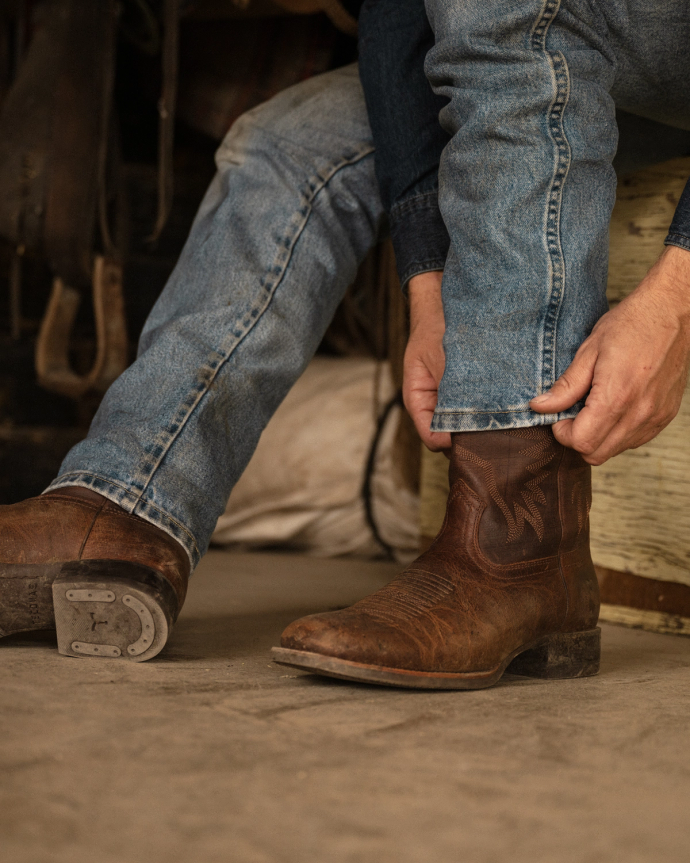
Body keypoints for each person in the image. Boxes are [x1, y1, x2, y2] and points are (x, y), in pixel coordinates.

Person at [1, 1, 689, 684]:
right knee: (289, 140)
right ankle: (125, 502)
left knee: (503, 20)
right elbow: (397, 16)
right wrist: (427, 274)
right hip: (569, 53)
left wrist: (677, 296)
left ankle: (519, 549)